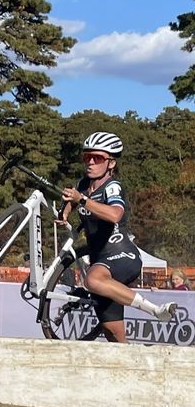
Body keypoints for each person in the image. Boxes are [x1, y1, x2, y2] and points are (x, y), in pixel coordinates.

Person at [59, 132, 176, 342]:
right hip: (99, 261)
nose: (91, 162)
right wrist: (65, 213)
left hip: (121, 254)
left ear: (111, 163)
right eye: (87, 157)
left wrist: (82, 200)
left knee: (92, 279)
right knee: (114, 336)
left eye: (98, 158)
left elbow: (114, 214)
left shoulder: (112, 186)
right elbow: (73, 199)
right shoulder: (83, 184)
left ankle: (156, 311)